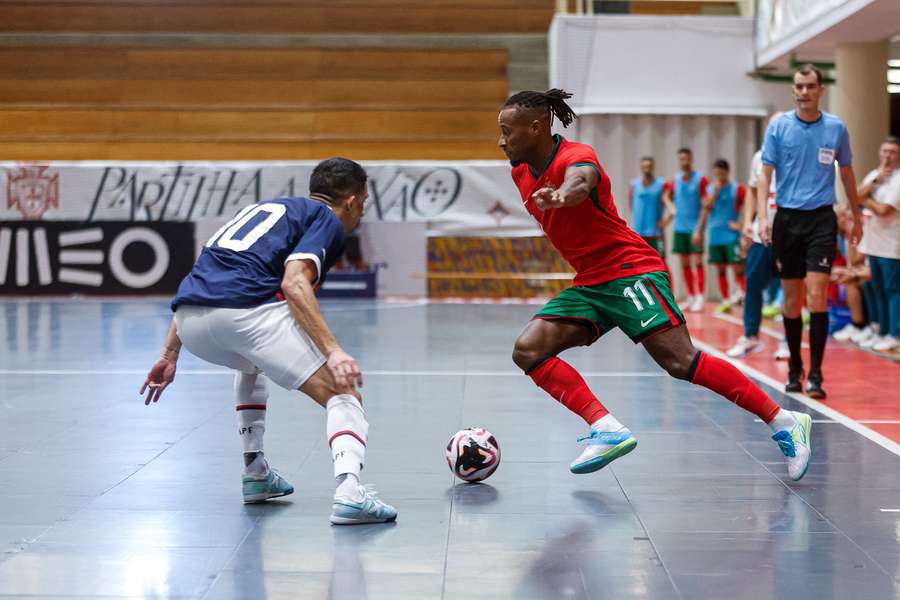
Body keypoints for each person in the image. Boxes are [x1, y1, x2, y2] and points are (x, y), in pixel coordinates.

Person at [497, 89, 812, 482]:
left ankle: (784, 420)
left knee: (680, 361)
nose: (501, 140)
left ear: (536, 127)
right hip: (592, 283)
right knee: (528, 350)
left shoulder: (576, 156)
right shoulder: (520, 172)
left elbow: (582, 180)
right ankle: (606, 428)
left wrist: (561, 196)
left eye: (507, 131)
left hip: (631, 271)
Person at [139, 157, 398, 525]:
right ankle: (349, 492)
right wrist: (333, 350)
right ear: (353, 201)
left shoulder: (264, 209)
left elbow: (208, 275)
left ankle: (256, 472)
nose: (361, 214)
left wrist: (169, 352)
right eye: (364, 204)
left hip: (189, 320)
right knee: (343, 393)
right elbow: (294, 283)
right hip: (246, 313)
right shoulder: (326, 220)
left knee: (251, 362)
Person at [757, 64, 863, 399]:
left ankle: (816, 373)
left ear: (820, 90)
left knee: (817, 297)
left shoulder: (836, 128)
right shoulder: (779, 127)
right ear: (793, 90)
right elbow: (764, 175)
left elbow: (846, 173)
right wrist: (763, 216)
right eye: (799, 86)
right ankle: (794, 369)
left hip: (821, 219)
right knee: (791, 300)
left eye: (810, 86)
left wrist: (856, 216)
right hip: (787, 219)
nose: (804, 92)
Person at [727, 119, 790, 360]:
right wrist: (747, 223)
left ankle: (787, 340)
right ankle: (751, 336)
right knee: (752, 284)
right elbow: (753, 190)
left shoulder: (796, 153)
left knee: (790, 288)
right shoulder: (759, 156)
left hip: (788, 232)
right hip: (760, 232)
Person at [856, 136, 900, 352]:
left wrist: (865, 199)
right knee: (876, 288)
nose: (887, 156)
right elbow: (855, 195)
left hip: (892, 245)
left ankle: (895, 333)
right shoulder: (875, 175)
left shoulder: (899, 180)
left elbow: (884, 210)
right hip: (872, 243)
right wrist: (873, 185)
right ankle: (881, 331)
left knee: (893, 290)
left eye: (892, 152)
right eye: (884, 151)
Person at [693, 159, 745, 312]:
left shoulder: (738, 189)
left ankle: (745, 295)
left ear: (727, 172)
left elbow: (751, 206)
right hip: (715, 234)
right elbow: (705, 209)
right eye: (716, 174)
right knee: (720, 269)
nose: (719, 176)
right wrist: (698, 230)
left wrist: (742, 224)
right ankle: (726, 300)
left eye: (721, 173)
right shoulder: (710, 190)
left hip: (731, 235)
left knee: (737, 268)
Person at [663, 148, 708, 312]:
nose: (684, 162)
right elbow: (666, 196)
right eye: (681, 159)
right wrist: (670, 210)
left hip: (694, 229)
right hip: (679, 228)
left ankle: (700, 297)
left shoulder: (700, 180)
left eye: (687, 159)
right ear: (679, 160)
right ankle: (690, 296)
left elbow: (705, 206)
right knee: (685, 264)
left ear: (691, 159)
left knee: (697, 262)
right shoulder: (675, 180)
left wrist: (699, 229)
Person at [629, 157, 669, 258]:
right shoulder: (634, 185)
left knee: (661, 263)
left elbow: (669, 203)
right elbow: (631, 204)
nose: (646, 170)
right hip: (639, 233)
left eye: (649, 167)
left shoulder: (661, 184)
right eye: (644, 167)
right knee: (641, 264)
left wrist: (665, 221)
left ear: (653, 167)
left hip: (656, 233)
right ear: (641, 168)